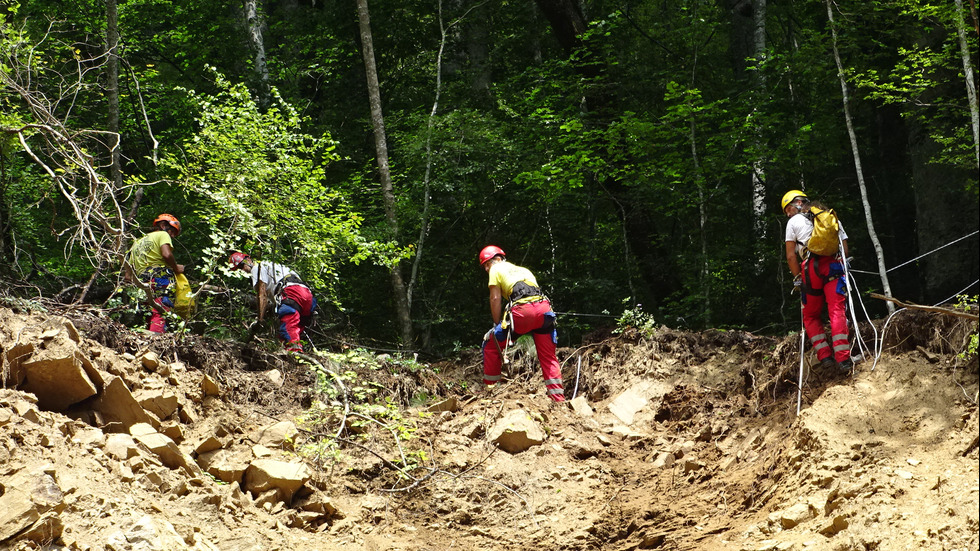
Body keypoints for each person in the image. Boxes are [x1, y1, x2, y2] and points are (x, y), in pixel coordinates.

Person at [479, 245, 565, 402]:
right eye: (484, 266)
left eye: (487, 264)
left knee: (491, 344)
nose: (486, 269)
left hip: (522, 313)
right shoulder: (524, 270)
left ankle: (491, 394)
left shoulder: (495, 269)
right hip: (544, 311)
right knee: (548, 356)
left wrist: (497, 323)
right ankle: (558, 399)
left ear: (498, 259)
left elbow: (495, 298)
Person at [781, 190, 853, 373]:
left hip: (810, 269)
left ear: (793, 205)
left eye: (787, 210)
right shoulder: (830, 217)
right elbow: (844, 250)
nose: (788, 214)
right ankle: (844, 359)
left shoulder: (793, 222)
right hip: (833, 267)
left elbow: (790, 256)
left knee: (811, 315)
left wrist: (798, 278)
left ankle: (825, 356)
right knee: (836, 311)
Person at [229, 252, 316, 353]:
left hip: (290, 292)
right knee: (297, 327)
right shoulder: (274, 266)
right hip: (306, 293)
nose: (243, 270)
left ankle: (294, 354)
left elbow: (262, 295)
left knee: (289, 325)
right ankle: (294, 354)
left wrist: (260, 319)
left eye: (241, 266)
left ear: (248, 260)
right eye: (239, 268)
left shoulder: (257, 268)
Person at [123, 213, 185, 333]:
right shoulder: (162, 234)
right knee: (161, 310)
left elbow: (127, 275)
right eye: (172, 231)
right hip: (159, 276)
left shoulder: (137, 242)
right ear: (163, 225)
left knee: (148, 313)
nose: (172, 236)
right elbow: (166, 254)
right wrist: (176, 268)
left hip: (141, 280)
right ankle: (156, 343)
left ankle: (147, 340)